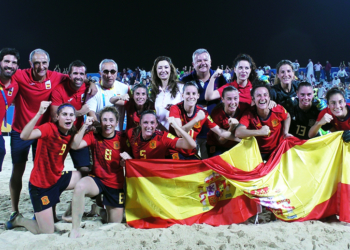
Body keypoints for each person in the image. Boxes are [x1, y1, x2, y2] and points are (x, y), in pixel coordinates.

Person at [7, 48, 95, 225]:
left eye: (44, 63)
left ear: (48, 63)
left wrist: (91, 81)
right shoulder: (20, 75)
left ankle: (49, 210)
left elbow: (76, 77)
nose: (41, 66)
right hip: (22, 129)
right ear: (30, 63)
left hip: (45, 131)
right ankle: (14, 211)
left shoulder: (56, 76)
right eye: (37, 63)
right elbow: (5, 76)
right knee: (18, 170)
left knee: (49, 170)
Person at [5, 102, 82, 234]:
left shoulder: (72, 132)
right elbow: (24, 136)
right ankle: (18, 220)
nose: (68, 117)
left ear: (74, 118)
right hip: (41, 186)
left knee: (86, 179)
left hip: (57, 179)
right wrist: (39, 113)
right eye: (64, 114)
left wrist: (87, 125)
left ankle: (68, 214)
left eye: (71, 115)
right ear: (57, 117)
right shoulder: (48, 128)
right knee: (47, 231)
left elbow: (76, 145)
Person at [69, 107, 128, 238]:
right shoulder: (93, 135)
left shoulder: (122, 138)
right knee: (80, 186)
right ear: (100, 121)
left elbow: (132, 158)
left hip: (115, 184)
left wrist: (126, 162)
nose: (108, 123)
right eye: (105, 120)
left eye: (111, 120)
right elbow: (74, 145)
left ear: (117, 121)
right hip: (97, 180)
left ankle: (99, 210)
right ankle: (75, 229)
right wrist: (85, 125)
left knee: (114, 224)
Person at [168, 82, 240, 159]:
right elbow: (179, 133)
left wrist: (240, 139)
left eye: (194, 93)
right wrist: (196, 119)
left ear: (198, 96)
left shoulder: (203, 113)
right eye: (188, 93)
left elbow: (220, 132)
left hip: (190, 152)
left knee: (205, 169)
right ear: (183, 95)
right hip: (174, 151)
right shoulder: (175, 108)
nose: (191, 96)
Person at [181, 48, 227, 159]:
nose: (203, 63)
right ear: (193, 64)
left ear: (210, 62)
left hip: (213, 132)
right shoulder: (185, 80)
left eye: (205, 60)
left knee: (212, 166)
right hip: (193, 133)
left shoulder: (220, 79)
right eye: (199, 61)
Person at [50, 60, 91, 174]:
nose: (78, 77)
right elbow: (54, 117)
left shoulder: (89, 88)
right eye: (75, 73)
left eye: (81, 74)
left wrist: (91, 83)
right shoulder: (59, 90)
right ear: (69, 75)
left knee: (85, 169)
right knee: (52, 170)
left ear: (85, 76)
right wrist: (79, 113)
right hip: (60, 135)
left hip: (78, 133)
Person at [235, 82, 292, 161]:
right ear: (253, 100)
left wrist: (285, 132)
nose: (262, 98)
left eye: (265, 95)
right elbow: (238, 132)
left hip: (277, 150)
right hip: (257, 153)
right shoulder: (249, 113)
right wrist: (260, 132)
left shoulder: (277, 109)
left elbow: (288, 116)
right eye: (258, 96)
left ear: (269, 98)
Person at [121, 110, 196, 160]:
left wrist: (177, 127)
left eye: (152, 123)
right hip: (140, 178)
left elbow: (192, 145)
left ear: (156, 125)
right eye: (145, 122)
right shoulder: (131, 133)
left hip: (156, 178)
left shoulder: (163, 137)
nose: (149, 126)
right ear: (140, 124)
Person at [206, 86, 250, 157]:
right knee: (218, 164)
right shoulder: (216, 113)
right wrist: (232, 127)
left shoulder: (245, 107)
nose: (233, 102)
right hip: (217, 145)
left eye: (235, 98)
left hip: (236, 145)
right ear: (222, 99)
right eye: (229, 99)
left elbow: (258, 107)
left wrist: (270, 102)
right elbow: (221, 141)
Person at [87, 59, 129, 131]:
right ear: (100, 73)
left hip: (118, 136)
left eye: (112, 72)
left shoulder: (125, 88)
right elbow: (91, 114)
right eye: (106, 72)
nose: (109, 75)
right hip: (100, 134)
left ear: (117, 73)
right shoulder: (94, 89)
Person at [149, 56, 183, 131]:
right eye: (160, 68)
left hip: (177, 134)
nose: (163, 70)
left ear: (171, 69)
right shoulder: (154, 91)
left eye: (166, 67)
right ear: (156, 71)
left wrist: (174, 109)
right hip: (160, 136)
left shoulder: (181, 88)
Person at [0, 48, 20, 172]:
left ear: (17, 66)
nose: (10, 65)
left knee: (1, 150)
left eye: (13, 63)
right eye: (6, 61)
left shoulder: (16, 85)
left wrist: (91, 82)